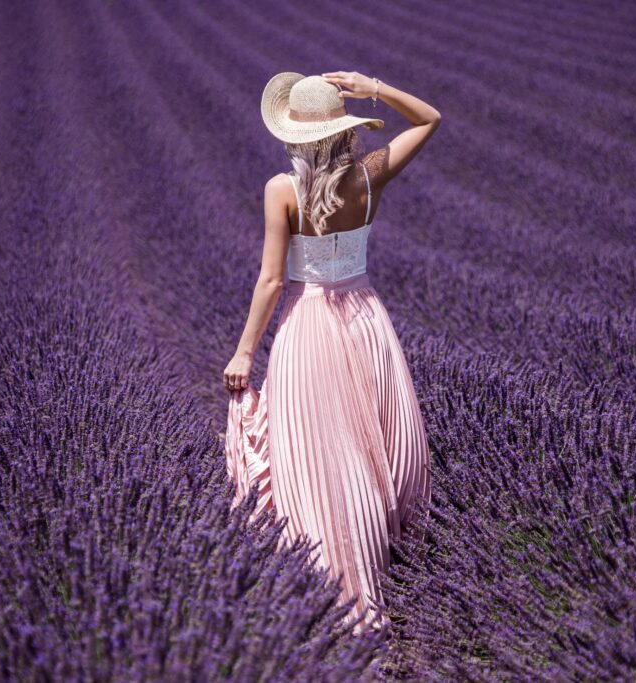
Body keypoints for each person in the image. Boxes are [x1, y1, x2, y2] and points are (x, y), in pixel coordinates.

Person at [223, 70, 440, 635]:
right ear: (346, 131)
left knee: (324, 456)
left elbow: (272, 281)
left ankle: (336, 585)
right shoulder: (369, 176)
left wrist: (245, 352)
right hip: (367, 321)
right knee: (373, 444)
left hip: (312, 327)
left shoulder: (282, 190)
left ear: (294, 134)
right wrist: (375, 87)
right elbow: (430, 119)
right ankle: (397, 567)